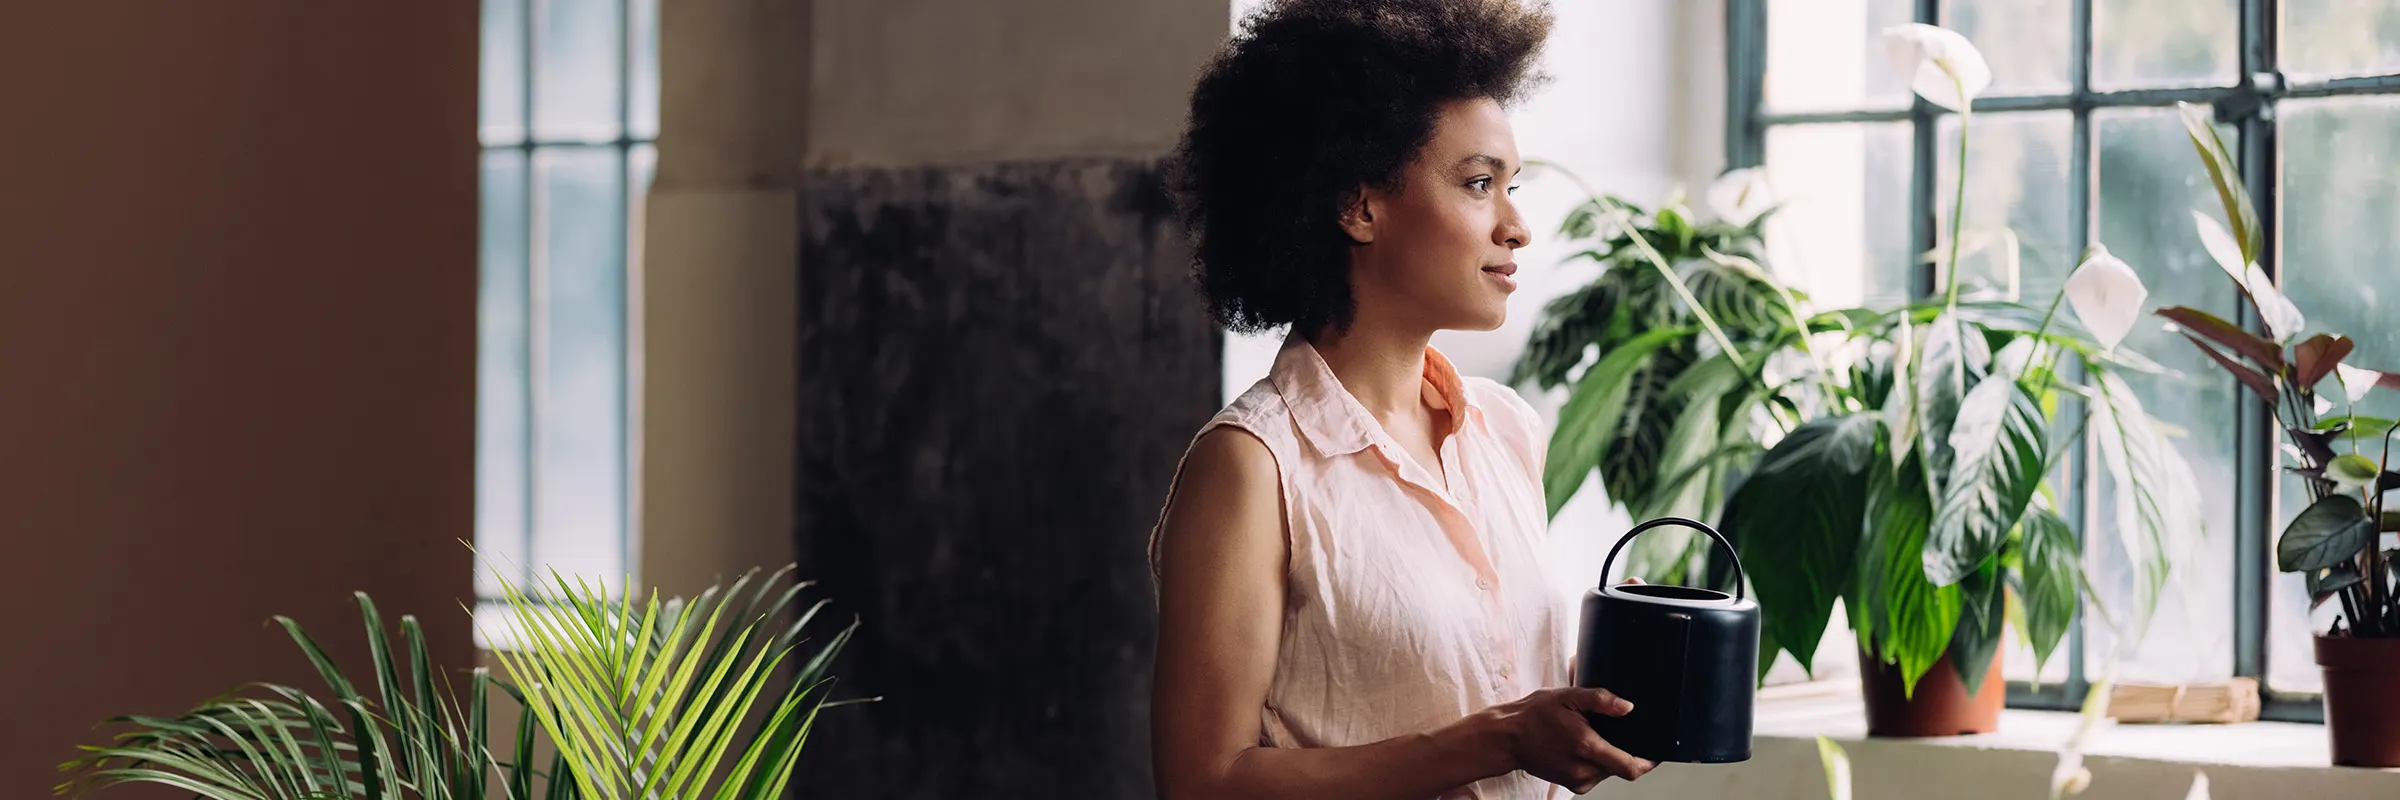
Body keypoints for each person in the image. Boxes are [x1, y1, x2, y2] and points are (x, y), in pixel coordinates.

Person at [1145, 1, 1656, 798]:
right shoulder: (1251, 467)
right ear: (1359, 206)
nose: (1517, 226)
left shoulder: (1505, 432)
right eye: (1479, 183)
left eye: (1511, 186)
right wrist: (1500, 739)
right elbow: (1203, 782)